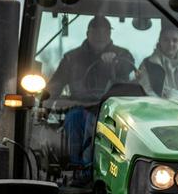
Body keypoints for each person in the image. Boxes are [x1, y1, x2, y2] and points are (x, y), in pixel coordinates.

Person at [47, 16, 134, 183]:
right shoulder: (71, 59)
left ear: (110, 33)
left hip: (113, 109)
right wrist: (43, 99)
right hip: (81, 106)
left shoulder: (123, 56)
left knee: (106, 124)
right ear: (88, 33)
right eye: (96, 31)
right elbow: (53, 88)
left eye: (104, 31)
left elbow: (130, 79)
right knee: (75, 118)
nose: (100, 35)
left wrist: (113, 66)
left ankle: (116, 172)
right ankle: (78, 169)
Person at [138, 25, 178, 102]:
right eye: (166, 40)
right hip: (155, 109)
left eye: (175, 40)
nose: (170, 44)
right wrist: (163, 103)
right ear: (160, 41)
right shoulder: (147, 64)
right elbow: (145, 90)